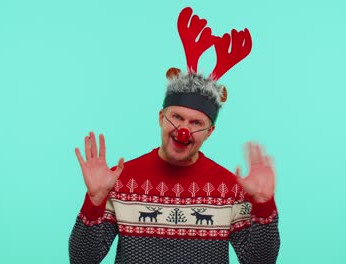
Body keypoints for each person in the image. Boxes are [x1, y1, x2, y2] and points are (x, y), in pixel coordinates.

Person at [69, 7, 280, 264]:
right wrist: (94, 200)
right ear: (161, 118)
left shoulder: (230, 188)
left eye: (196, 122)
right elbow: (82, 259)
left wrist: (264, 204)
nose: (184, 129)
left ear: (209, 131)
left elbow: (260, 261)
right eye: (177, 117)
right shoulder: (118, 181)